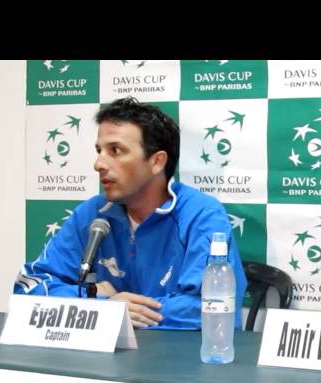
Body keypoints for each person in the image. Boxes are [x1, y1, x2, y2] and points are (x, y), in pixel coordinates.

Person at [15, 97, 247, 330]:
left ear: (157, 162)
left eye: (115, 150)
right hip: (106, 361)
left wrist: (119, 313)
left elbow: (211, 306)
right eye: (99, 150)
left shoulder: (201, 215)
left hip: (179, 361)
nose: (98, 164)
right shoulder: (92, 214)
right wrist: (97, 300)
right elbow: (29, 286)